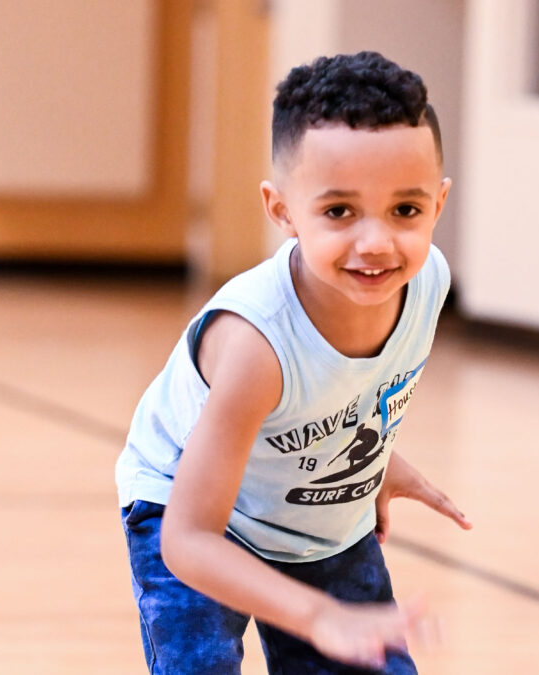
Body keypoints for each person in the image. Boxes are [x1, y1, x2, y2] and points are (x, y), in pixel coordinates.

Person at [115, 51, 473, 674]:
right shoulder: (257, 344)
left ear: (438, 204)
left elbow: (346, 389)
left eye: (405, 210)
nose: (376, 243)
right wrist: (315, 615)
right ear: (281, 210)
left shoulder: (429, 282)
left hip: (312, 507)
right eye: (339, 212)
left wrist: (376, 463)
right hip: (194, 509)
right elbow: (188, 540)